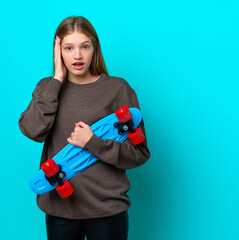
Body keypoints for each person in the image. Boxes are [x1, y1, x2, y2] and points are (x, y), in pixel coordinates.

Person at [18, 16, 150, 240]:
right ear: (58, 51)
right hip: (60, 209)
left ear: (94, 48)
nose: (77, 56)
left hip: (107, 209)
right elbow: (32, 131)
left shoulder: (117, 89)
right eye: (69, 48)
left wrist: (92, 142)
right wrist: (57, 80)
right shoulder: (47, 88)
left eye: (84, 47)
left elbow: (139, 154)